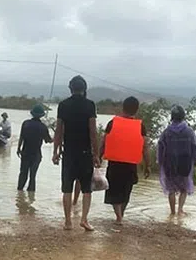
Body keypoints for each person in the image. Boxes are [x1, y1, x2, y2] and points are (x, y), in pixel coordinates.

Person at [53, 75, 100, 231]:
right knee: (87, 189)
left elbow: (58, 131)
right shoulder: (90, 105)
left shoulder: (63, 105)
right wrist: (96, 154)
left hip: (69, 154)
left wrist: (55, 151)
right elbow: (93, 132)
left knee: (67, 188)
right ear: (84, 89)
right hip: (85, 153)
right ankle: (84, 220)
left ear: (70, 88)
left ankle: (67, 222)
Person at [100, 96, 150, 225]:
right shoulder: (141, 126)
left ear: (123, 107)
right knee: (126, 191)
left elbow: (103, 142)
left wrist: (98, 157)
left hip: (115, 163)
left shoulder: (112, 122)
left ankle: (118, 216)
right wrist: (147, 165)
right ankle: (121, 214)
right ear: (137, 110)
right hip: (130, 164)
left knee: (114, 190)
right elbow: (145, 147)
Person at [157, 105, 196, 216]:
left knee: (171, 189)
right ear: (183, 116)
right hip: (185, 163)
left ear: (172, 117)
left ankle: (172, 212)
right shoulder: (189, 131)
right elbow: (195, 146)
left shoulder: (167, 132)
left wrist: (160, 161)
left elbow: (160, 146)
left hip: (169, 164)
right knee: (184, 189)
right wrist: (195, 159)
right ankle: (180, 210)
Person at [17, 104, 53, 192]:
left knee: (23, 174)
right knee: (32, 176)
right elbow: (48, 140)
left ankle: (19, 192)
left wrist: (18, 149)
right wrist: (56, 138)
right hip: (36, 155)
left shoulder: (25, 123)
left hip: (25, 153)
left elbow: (21, 137)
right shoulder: (43, 127)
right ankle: (31, 196)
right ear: (41, 115)